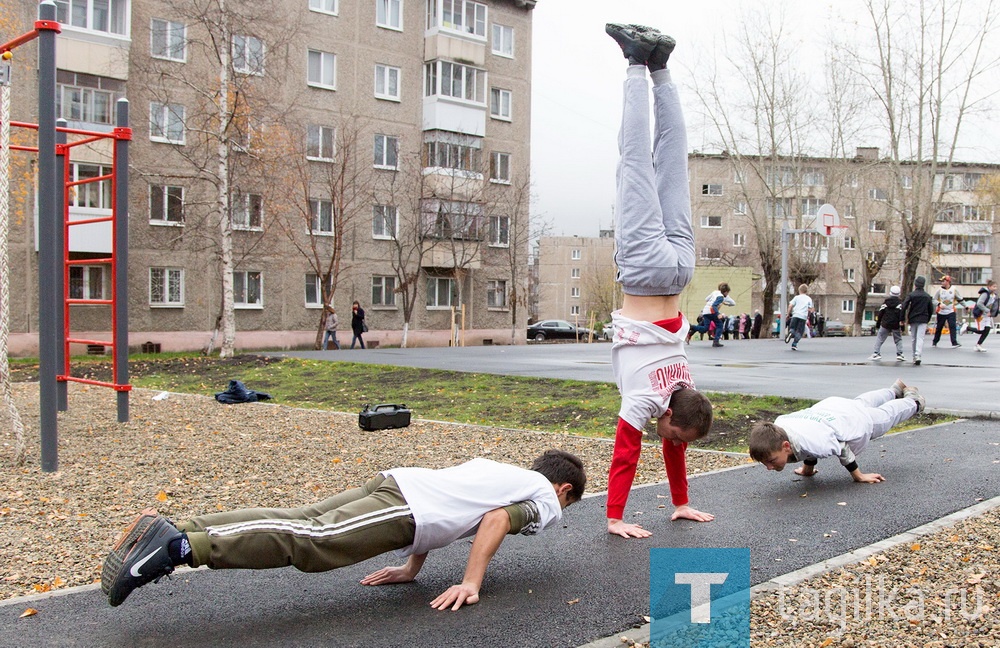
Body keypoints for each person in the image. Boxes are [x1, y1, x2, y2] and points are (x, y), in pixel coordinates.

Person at [100, 449, 586, 609]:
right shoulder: (544, 498)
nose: (560, 511)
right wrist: (470, 582)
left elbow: (460, 509)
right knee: (314, 542)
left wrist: (412, 566)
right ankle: (181, 545)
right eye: (569, 499)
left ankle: (175, 529)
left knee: (299, 521)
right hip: (407, 509)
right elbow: (495, 521)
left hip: (400, 489)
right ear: (564, 488)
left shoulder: (503, 469)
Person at [603, 23, 715, 540]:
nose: (674, 443)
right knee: (635, 162)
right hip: (647, 271)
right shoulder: (649, 401)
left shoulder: (685, 388)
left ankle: (662, 67)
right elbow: (626, 455)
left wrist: (682, 502)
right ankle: (634, 61)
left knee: (672, 162)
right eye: (678, 437)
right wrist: (615, 517)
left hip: (681, 269)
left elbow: (671, 442)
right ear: (670, 417)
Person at [748, 380, 924, 484]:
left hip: (855, 421)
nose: (769, 467)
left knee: (886, 416)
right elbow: (807, 445)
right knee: (861, 401)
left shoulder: (811, 442)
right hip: (833, 408)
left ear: (786, 446)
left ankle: (914, 401)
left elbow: (841, 447)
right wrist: (807, 470)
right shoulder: (781, 425)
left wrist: (858, 476)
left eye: (771, 461)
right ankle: (894, 390)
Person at [686, 282, 735, 347]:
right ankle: (716, 341)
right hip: (712, 311)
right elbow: (714, 306)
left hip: (705, 311)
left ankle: (691, 326)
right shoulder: (721, 297)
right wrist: (718, 313)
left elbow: (706, 299)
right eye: (728, 292)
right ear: (725, 292)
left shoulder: (715, 292)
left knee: (705, 328)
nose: (728, 294)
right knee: (720, 325)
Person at [900, 276, 934, 365]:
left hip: (913, 318)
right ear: (923, 285)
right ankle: (918, 354)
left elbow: (904, 306)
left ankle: (914, 355)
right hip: (923, 318)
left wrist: (902, 318)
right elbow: (931, 309)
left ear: (915, 284)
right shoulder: (927, 296)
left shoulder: (911, 295)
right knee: (920, 338)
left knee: (913, 338)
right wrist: (928, 318)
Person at [868, 286, 904, 361]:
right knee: (898, 339)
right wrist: (902, 325)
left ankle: (876, 353)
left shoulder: (886, 303)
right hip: (895, 324)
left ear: (890, 293)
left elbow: (881, 313)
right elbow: (902, 315)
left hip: (885, 323)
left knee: (880, 337)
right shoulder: (900, 304)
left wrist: (878, 323)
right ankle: (900, 354)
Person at [931, 275, 963, 348]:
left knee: (952, 326)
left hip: (951, 311)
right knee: (939, 327)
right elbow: (934, 299)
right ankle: (935, 341)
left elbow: (959, 299)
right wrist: (939, 304)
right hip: (941, 312)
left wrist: (965, 306)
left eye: (943, 281)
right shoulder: (939, 290)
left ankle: (954, 342)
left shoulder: (954, 289)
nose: (942, 283)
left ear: (948, 282)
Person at [971, 280, 998, 352]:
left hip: (987, 316)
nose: (995, 288)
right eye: (993, 287)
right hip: (980, 314)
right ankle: (967, 328)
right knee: (981, 330)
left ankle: (979, 344)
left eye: (996, 287)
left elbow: (994, 306)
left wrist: (994, 312)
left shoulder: (994, 296)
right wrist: (987, 310)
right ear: (989, 287)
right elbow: (979, 303)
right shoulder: (985, 294)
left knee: (987, 329)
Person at [786, 284, 813, 351]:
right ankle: (794, 344)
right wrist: (808, 315)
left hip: (795, 315)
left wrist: (788, 314)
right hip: (803, 317)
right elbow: (810, 309)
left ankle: (791, 332)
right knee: (800, 332)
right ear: (806, 291)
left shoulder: (796, 298)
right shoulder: (809, 299)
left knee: (792, 328)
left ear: (799, 291)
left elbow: (790, 306)